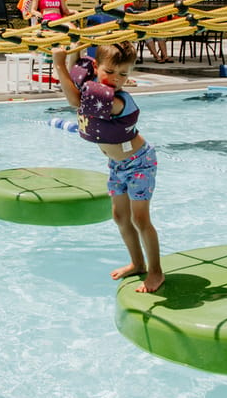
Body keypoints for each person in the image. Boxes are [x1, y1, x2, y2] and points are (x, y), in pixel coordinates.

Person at [52, 42, 164, 293]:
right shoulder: (95, 84)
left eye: (123, 74)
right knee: (119, 217)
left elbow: (75, 101)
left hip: (139, 162)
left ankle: (156, 271)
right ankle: (137, 263)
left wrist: (58, 63)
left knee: (140, 219)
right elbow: (76, 80)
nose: (116, 79)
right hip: (117, 164)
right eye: (110, 72)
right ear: (96, 67)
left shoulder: (117, 100)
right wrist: (72, 53)